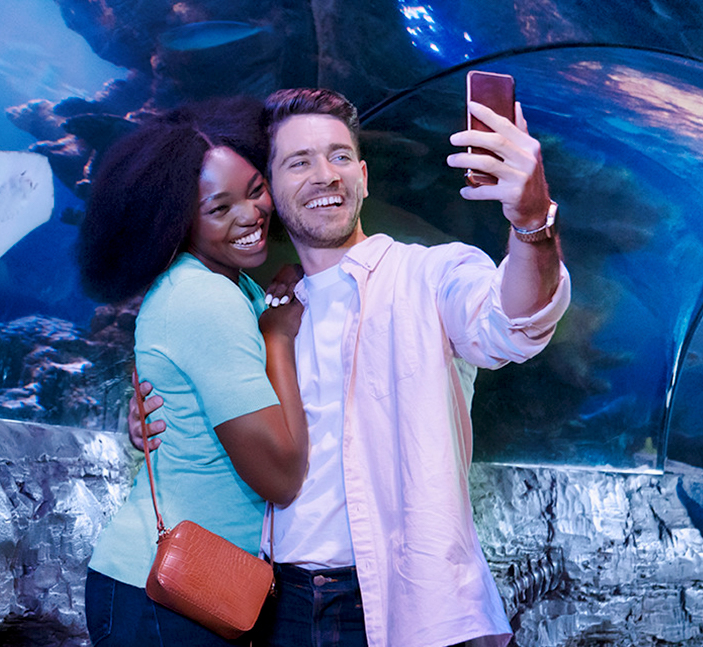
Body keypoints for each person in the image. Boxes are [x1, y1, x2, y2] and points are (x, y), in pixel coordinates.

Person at [134, 86, 570, 647]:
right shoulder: (262, 310)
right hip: (278, 606)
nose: (325, 175)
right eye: (299, 162)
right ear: (270, 191)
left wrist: (532, 221)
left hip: (414, 603)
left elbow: (516, 322)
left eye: (339, 156)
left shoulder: (430, 275)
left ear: (363, 176)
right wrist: (151, 412)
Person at [79, 102, 309, 647]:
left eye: (256, 190)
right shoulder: (205, 297)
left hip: (197, 588)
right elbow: (281, 476)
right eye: (219, 208)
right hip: (163, 594)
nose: (250, 215)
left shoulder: (232, 285)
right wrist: (278, 338)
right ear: (180, 222)